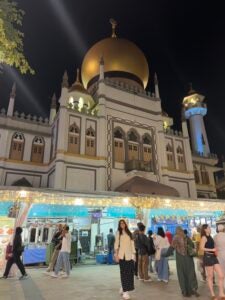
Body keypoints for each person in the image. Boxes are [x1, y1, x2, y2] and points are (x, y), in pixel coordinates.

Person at [172, 226, 198, 297]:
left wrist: (164, 254)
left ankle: (184, 291)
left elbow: (172, 248)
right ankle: (193, 289)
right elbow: (192, 245)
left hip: (180, 259)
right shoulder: (186, 237)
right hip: (188, 258)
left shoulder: (175, 238)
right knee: (191, 273)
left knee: (181, 275)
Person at [200, 224, 225, 299]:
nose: (210, 229)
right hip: (207, 257)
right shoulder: (204, 237)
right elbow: (201, 248)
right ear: (205, 229)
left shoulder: (210, 236)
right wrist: (212, 250)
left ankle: (221, 293)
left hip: (213, 257)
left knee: (221, 275)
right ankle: (212, 294)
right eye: (209, 228)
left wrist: (215, 249)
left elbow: (212, 245)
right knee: (210, 276)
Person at [114, 219, 135, 300]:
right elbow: (116, 244)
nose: (122, 224)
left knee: (129, 273)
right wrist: (116, 255)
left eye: (123, 223)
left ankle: (123, 287)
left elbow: (132, 244)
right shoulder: (118, 233)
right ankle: (125, 292)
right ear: (119, 225)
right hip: (121, 256)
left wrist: (134, 254)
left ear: (126, 224)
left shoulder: (129, 233)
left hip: (130, 256)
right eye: (121, 223)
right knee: (124, 273)